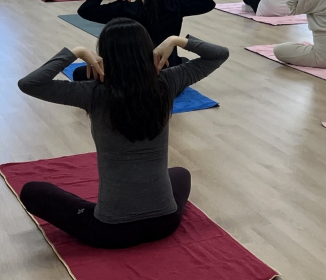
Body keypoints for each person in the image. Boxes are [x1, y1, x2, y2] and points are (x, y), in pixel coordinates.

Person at [17, 18, 229, 249]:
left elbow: (30, 84)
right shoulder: (168, 82)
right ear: (148, 50)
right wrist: (175, 40)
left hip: (110, 231)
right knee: (180, 173)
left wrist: (76, 52)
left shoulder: (92, 92)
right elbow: (219, 54)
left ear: (105, 54)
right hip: (165, 223)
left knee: (32, 191)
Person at [74, 0, 215, 81]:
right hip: (165, 71)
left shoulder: (122, 9)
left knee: (78, 73)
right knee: (182, 62)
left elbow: (85, 10)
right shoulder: (174, 6)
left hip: (129, 72)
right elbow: (207, 4)